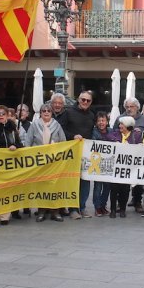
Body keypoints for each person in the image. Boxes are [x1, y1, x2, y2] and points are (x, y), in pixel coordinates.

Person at [24, 103, 67, 222]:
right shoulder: (34, 125)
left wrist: (56, 147)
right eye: (44, 111)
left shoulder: (57, 125)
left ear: (52, 113)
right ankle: (41, 211)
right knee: (41, 186)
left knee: (55, 186)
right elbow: (28, 142)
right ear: (41, 113)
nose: (46, 112)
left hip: (54, 161)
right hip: (39, 161)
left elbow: (64, 141)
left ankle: (55, 211)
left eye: (48, 110)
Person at [60, 91, 95, 219]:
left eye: (88, 100)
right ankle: (73, 209)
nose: (85, 102)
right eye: (83, 99)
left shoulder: (92, 114)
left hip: (86, 153)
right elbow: (61, 129)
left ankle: (82, 207)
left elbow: (93, 132)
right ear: (78, 99)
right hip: (72, 153)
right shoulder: (68, 112)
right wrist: (72, 136)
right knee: (73, 181)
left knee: (85, 181)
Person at [109, 116, 142, 218]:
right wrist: (115, 143)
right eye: (120, 124)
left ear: (128, 126)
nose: (120, 126)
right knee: (114, 189)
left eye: (122, 124)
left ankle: (123, 209)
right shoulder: (115, 134)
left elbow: (140, 146)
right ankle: (113, 210)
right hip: (116, 168)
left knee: (125, 189)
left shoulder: (136, 135)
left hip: (128, 168)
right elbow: (108, 138)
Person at [91, 112, 116, 217]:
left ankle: (103, 206)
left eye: (103, 120)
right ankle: (97, 208)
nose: (101, 122)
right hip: (97, 164)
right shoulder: (93, 132)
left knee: (107, 187)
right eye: (99, 121)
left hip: (108, 164)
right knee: (97, 187)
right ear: (96, 122)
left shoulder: (111, 131)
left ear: (107, 121)